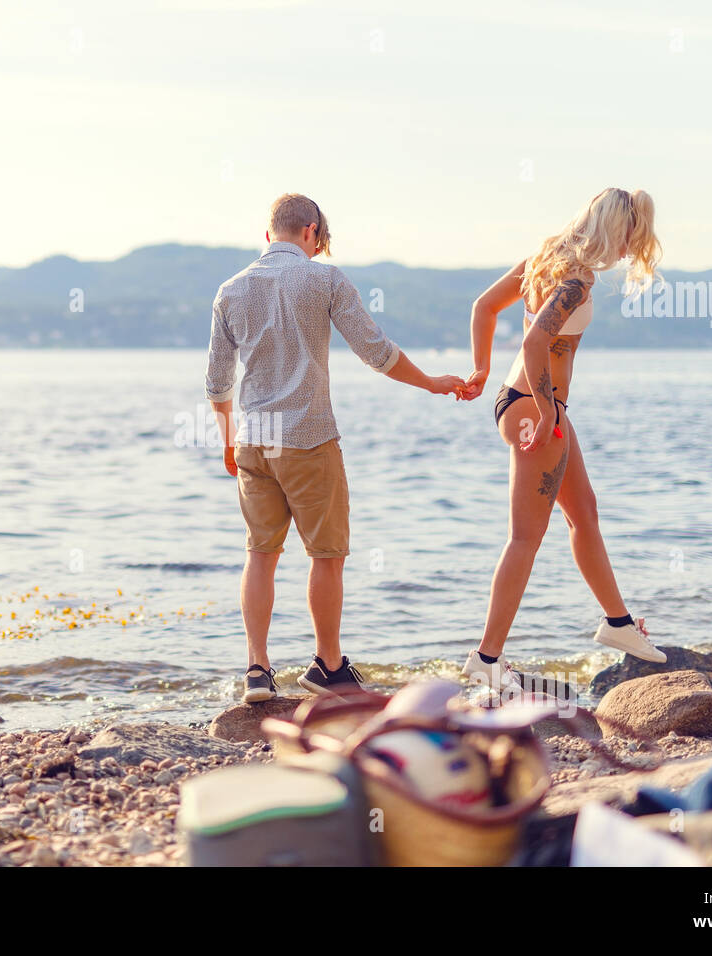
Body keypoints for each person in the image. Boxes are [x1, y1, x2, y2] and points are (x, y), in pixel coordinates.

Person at [206, 193, 464, 703]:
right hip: (308, 435)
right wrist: (434, 383)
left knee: (261, 554)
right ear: (311, 233)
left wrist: (226, 440)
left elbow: (217, 381)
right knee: (326, 556)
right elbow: (376, 351)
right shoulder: (324, 278)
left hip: (253, 439)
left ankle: (257, 670)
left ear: (268, 234)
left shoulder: (230, 290)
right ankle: (327, 665)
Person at [457, 187, 665, 692]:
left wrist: (483, 371)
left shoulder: (546, 257)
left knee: (584, 512)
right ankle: (486, 658)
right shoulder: (577, 277)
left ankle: (618, 624)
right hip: (536, 409)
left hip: (525, 400)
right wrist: (548, 405)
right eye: (629, 239)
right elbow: (533, 341)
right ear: (615, 230)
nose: (626, 251)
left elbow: (485, 307)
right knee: (526, 537)